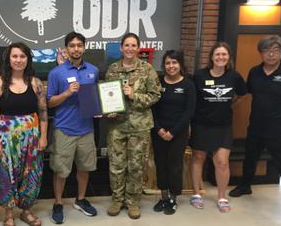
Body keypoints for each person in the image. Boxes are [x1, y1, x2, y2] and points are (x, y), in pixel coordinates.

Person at [229, 35, 281, 224]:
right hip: (256, 126)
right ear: (261, 53)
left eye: (276, 50)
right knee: (250, 158)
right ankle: (245, 186)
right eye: (267, 50)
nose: (271, 54)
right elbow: (247, 94)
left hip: (278, 130)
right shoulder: (255, 72)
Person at [0, 42, 48, 226]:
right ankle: (9, 213)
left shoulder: (36, 83)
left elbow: (43, 113)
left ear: (28, 59)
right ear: (8, 59)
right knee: (6, 174)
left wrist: (44, 137)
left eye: (22, 56)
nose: (18, 60)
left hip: (32, 136)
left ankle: (26, 212)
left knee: (31, 174)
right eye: (15, 56)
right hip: (6, 137)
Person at [105, 33, 161, 219]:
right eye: (126, 45)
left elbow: (155, 96)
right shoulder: (112, 69)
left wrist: (133, 95)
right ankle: (117, 199)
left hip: (139, 127)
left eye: (133, 45)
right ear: (121, 48)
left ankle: (133, 202)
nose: (129, 48)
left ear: (138, 48)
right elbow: (107, 97)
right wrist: (108, 111)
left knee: (136, 167)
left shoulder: (147, 69)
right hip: (117, 127)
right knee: (116, 165)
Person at [47, 31, 99, 224]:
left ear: (84, 48)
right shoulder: (56, 73)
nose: (76, 48)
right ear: (66, 49)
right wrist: (67, 93)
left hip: (86, 129)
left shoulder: (93, 70)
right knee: (60, 170)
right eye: (72, 45)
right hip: (64, 129)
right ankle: (58, 203)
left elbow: (96, 98)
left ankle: (81, 199)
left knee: (84, 168)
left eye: (79, 45)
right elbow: (50, 102)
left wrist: (100, 108)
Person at [189, 42, 246, 213]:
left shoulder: (234, 76)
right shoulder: (199, 76)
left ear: (229, 58)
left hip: (223, 126)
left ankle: (222, 197)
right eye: (217, 54)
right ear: (212, 57)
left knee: (222, 162)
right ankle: (196, 194)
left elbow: (242, 95)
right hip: (201, 124)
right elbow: (193, 100)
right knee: (198, 158)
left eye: (224, 55)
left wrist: (229, 104)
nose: (221, 57)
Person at [151, 50, 196, 215]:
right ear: (164, 65)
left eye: (174, 63)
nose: (171, 66)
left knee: (175, 166)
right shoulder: (158, 83)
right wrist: (160, 130)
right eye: (168, 63)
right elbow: (152, 109)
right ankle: (163, 197)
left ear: (181, 65)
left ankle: (173, 198)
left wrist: (173, 132)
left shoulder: (188, 85)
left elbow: (189, 112)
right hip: (158, 132)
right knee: (160, 165)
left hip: (178, 133)